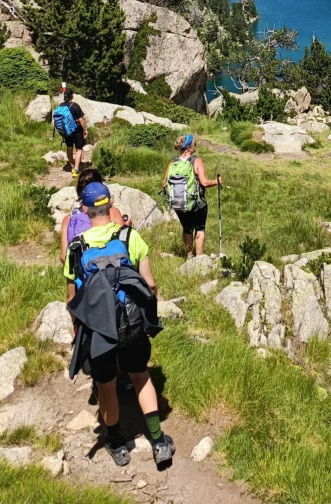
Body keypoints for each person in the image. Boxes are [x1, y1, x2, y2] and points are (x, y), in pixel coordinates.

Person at [65, 181, 174, 467]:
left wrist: (80, 332)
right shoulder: (129, 237)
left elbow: (71, 299)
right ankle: (158, 441)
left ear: (86, 209)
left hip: (98, 330)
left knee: (107, 386)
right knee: (140, 376)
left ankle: (116, 442)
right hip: (131, 324)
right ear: (111, 203)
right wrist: (148, 319)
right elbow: (149, 285)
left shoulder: (77, 247)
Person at [163, 134, 221, 258]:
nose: (196, 146)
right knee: (200, 228)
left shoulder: (173, 162)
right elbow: (204, 182)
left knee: (187, 228)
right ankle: (199, 258)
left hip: (179, 203)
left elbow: (164, 184)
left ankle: (189, 256)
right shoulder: (195, 160)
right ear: (189, 147)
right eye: (194, 144)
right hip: (197, 203)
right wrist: (216, 181)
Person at [60, 168, 127, 264]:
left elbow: (63, 257)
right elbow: (124, 243)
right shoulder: (113, 212)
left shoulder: (68, 219)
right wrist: (127, 228)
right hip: (114, 268)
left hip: (85, 274)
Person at [61, 88, 88, 177]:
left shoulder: (60, 106)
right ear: (72, 96)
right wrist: (85, 129)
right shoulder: (75, 106)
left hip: (66, 131)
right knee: (78, 149)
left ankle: (72, 165)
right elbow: (81, 119)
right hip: (76, 130)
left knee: (69, 147)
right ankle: (76, 169)